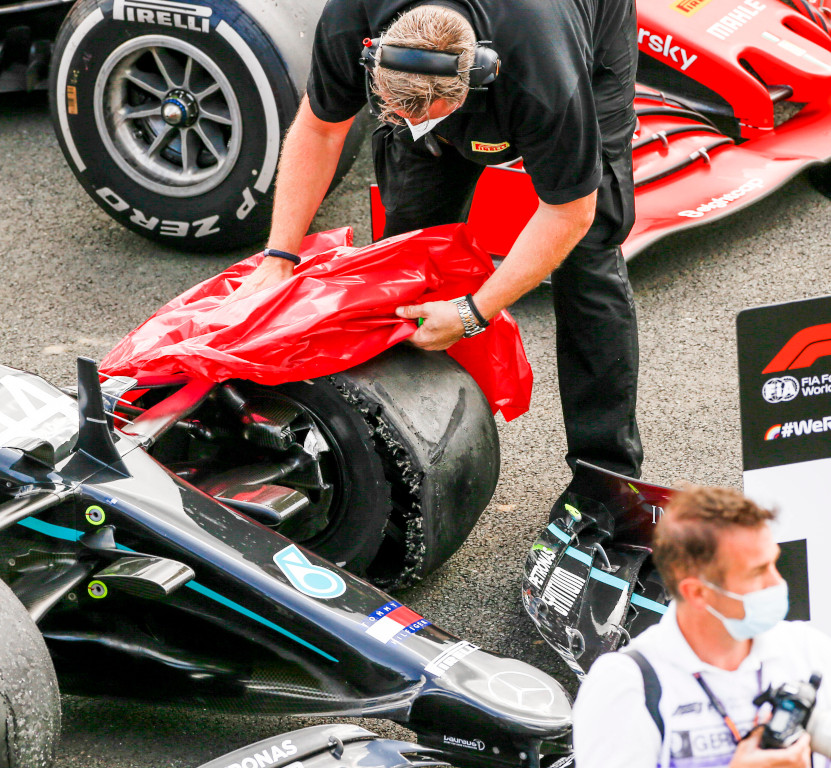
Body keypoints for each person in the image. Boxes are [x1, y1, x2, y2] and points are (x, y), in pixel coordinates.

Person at [229, 0, 643, 500]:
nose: (411, 123)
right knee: (405, 254)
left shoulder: (544, 76)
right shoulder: (351, 17)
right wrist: (279, 257)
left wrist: (473, 313)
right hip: (444, 73)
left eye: (428, 116)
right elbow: (319, 128)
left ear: (476, 83)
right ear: (373, 53)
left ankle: (606, 480)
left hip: (556, 31)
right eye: (397, 111)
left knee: (590, 256)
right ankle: (402, 448)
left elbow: (569, 213)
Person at [573, 486, 831, 768]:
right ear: (698, 593)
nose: (777, 583)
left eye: (774, 563)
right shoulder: (627, 685)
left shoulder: (809, 652)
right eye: (757, 572)